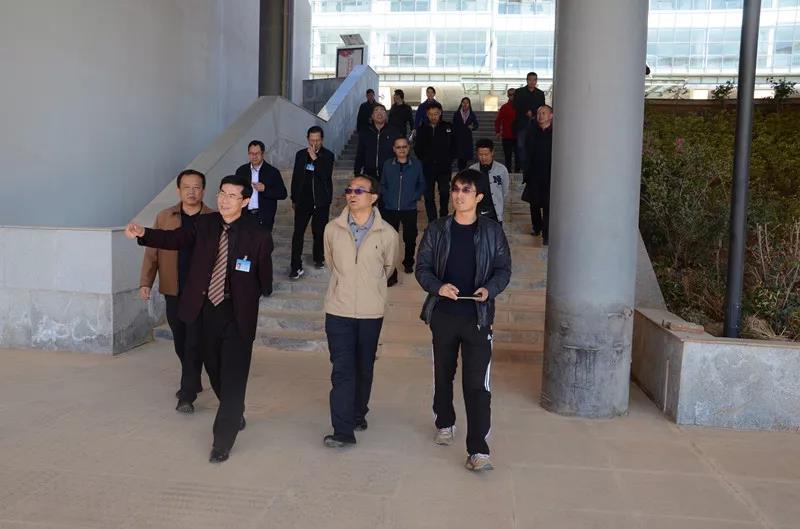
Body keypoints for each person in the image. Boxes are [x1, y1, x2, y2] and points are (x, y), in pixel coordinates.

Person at [125, 174, 274, 463]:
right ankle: (234, 410)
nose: (225, 200)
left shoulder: (258, 235)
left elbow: (264, 280)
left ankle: (222, 440)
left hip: (237, 314)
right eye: (222, 193)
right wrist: (144, 233)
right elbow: (174, 239)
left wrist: (244, 292)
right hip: (205, 310)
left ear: (245, 201)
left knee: (234, 376)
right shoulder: (204, 224)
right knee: (214, 368)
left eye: (232, 196)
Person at [415, 169, 512, 472]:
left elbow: (503, 269)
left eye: (466, 190)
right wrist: (438, 287)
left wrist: (490, 289)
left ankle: (478, 450)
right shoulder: (437, 229)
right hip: (444, 315)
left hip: (477, 319)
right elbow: (422, 267)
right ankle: (445, 422)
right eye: (456, 189)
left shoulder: (492, 231)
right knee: (443, 374)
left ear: (479, 196)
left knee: (477, 384)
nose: (458, 195)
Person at [322, 175, 399, 448]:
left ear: (373, 197)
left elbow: (388, 268)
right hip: (338, 309)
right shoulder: (332, 229)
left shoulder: (388, 234)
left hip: (370, 312)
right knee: (342, 369)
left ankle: (358, 414)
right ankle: (343, 431)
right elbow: (331, 263)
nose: (352, 194)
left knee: (364, 368)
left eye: (359, 190)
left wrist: (369, 288)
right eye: (349, 190)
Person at [139, 169, 214, 410]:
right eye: (187, 187)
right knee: (180, 340)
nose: (192, 192)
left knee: (193, 341)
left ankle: (187, 395)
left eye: (196, 187)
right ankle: (193, 377)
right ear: (179, 190)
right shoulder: (165, 217)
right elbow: (152, 251)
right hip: (173, 289)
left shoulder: (213, 218)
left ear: (203, 190)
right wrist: (146, 282)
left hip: (201, 293)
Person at [290, 125, 335, 279]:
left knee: (319, 232)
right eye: (311, 140)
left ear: (322, 140)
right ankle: (295, 265)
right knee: (298, 233)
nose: (314, 143)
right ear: (307, 139)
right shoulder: (300, 155)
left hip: (321, 201)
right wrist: (294, 198)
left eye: (317, 140)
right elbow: (296, 177)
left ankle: (318, 257)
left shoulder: (328, 155)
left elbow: (325, 174)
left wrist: (315, 158)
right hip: (303, 201)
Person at [380, 136, 426, 286]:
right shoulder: (388, 164)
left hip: (409, 208)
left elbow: (421, 183)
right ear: (394, 149)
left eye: (404, 146)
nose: (401, 149)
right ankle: (391, 270)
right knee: (389, 240)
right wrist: (387, 197)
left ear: (408, 147)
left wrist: (414, 197)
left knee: (410, 237)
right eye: (398, 147)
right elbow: (383, 184)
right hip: (390, 208)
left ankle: (408, 262)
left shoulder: (416, 164)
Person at [413, 102, 455, 221]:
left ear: (440, 113)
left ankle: (443, 216)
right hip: (427, 168)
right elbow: (417, 147)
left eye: (436, 114)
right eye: (431, 114)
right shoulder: (422, 129)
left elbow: (454, 145)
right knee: (428, 195)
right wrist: (424, 158)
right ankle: (432, 220)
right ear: (427, 114)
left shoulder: (448, 127)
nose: (433, 117)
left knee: (444, 192)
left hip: (444, 167)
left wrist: (449, 159)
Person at [235, 140, 288, 231]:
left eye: (257, 153)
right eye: (251, 153)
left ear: (263, 154)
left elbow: (283, 194)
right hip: (244, 215)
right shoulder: (241, 171)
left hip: (264, 217)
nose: (254, 156)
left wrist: (265, 189)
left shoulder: (272, 172)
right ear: (248, 154)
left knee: (263, 240)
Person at [523, 104, 553, 246]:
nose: (540, 116)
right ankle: (537, 227)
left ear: (551, 116)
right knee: (534, 203)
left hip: (549, 175)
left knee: (548, 204)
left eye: (544, 113)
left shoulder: (555, 133)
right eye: (539, 113)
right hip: (534, 174)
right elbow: (526, 150)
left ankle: (547, 233)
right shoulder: (532, 131)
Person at [354, 104, 399, 181]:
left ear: (386, 115)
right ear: (372, 116)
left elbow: (400, 153)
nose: (379, 113)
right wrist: (357, 172)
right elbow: (360, 153)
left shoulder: (394, 132)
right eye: (376, 110)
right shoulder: (365, 132)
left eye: (382, 110)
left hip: (390, 174)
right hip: (369, 175)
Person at [469, 138, 510, 224]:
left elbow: (504, 191)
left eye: (486, 154)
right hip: (477, 213)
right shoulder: (472, 170)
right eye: (480, 154)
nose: (483, 157)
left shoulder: (501, 170)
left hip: (495, 213)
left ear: (492, 152)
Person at [513, 72, 546, 172]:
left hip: (535, 123)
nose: (532, 82)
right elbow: (515, 105)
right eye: (530, 79)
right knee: (520, 145)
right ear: (527, 80)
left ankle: (532, 166)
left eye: (534, 80)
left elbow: (542, 107)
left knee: (533, 145)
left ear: (536, 81)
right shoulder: (519, 92)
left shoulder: (540, 93)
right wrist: (525, 111)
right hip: (522, 123)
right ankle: (522, 166)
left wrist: (535, 114)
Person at [494, 88, 519, 172]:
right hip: (507, 136)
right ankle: (508, 172)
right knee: (507, 156)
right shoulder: (504, 107)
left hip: (518, 136)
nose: (512, 96)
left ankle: (517, 172)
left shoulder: (521, 107)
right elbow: (498, 120)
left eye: (514, 94)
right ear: (508, 95)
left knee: (518, 156)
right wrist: (497, 131)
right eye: (510, 94)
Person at [452, 97, 479, 171]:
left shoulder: (472, 114)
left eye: (467, 103)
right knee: (459, 156)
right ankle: (460, 171)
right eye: (463, 102)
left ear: (469, 104)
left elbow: (476, 125)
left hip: (467, 138)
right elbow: (453, 126)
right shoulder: (457, 114)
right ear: (461, 103)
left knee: (465, 157)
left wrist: (472, 127)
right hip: (458, 137)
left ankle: (463, 171)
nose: (465, 104)